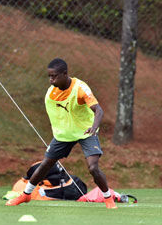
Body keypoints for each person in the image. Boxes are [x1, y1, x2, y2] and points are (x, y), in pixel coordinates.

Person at [7, 58, 117, 209]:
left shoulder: (80, 88)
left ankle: (108, 198)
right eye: (49, 76)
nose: (51, 79)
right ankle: (25, 195)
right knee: (45, 164)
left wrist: (94, 127)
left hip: (86, 132)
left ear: (65, 74)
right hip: (64, 134)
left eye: (54, 76)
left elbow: (99, 110)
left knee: (93, 168)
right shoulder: (51, 94)